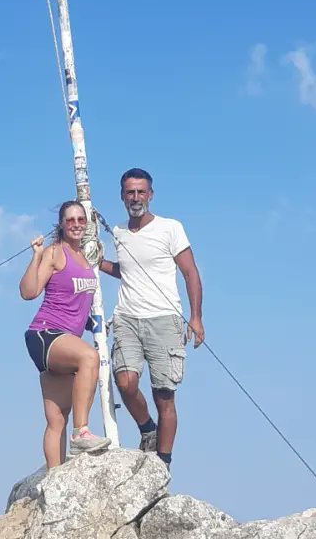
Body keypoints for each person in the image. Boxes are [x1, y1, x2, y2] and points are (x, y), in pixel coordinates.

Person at [99, 167, 204, 468]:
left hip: (165, 319)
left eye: (141, 192)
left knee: (164, 396)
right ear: (122, 196)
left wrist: (195, 317)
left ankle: (163, 464)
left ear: (151, 195)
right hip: (127, 318)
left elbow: (190, 272)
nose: (135, 197)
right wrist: (99, 261)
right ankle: (147, 429)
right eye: (130, 192)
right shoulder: (117, 232)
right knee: (125, 382)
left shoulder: (170, 228)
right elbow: (126, 270)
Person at [20, 200, 112, 467]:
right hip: (45, 334)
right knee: (89, 358)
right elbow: (28, 292)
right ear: (61, 224)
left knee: (57, 418)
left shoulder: (85, 260)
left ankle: (54, 477)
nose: (76, 224)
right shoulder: (54, 252)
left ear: (87, 224)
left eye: (80, 220)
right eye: (70, 220)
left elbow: (76, 304)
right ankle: (81, 431)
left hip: (66, 338)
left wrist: (93, 325)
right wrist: (36, 256)